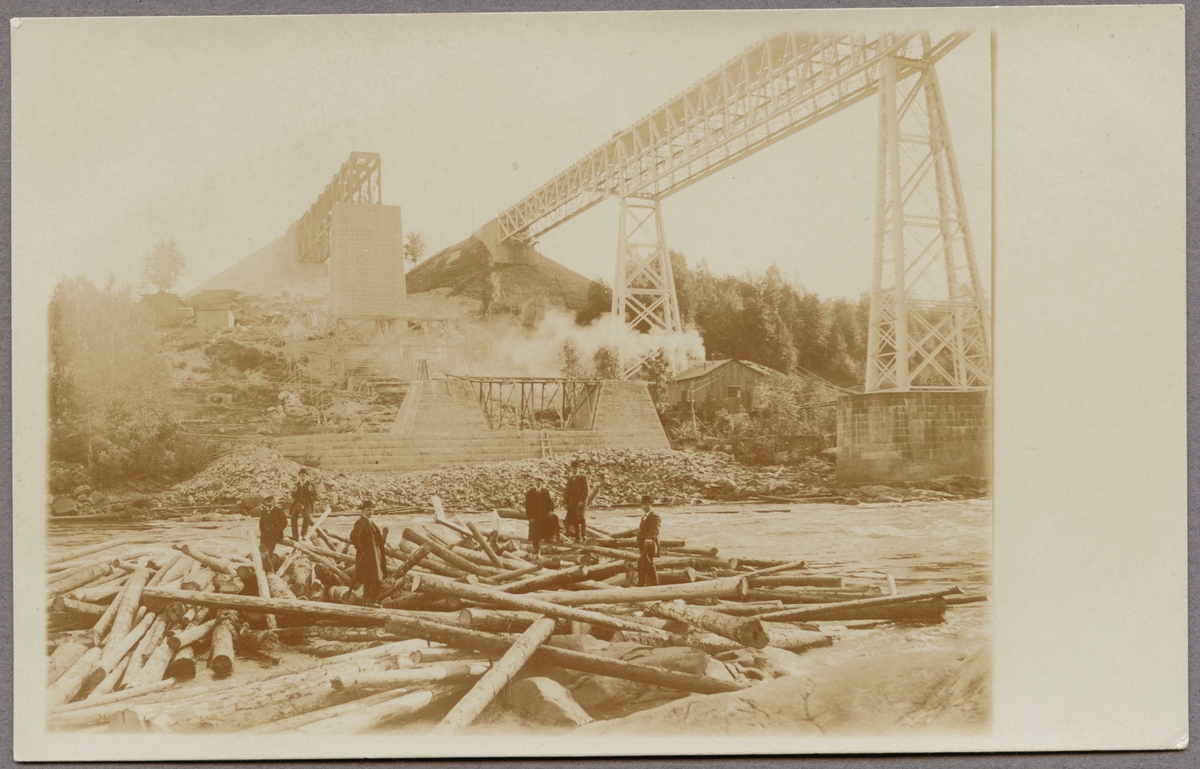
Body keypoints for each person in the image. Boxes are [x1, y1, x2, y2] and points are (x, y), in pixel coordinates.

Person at [350, 499, 389, 606]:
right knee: (376, 578)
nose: (371, 512)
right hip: (369, 556)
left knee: (369, 578)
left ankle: (366, 601)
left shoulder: (369, 521)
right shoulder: (360, 522)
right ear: (362, 511)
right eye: (368, 510)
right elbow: (354, 537)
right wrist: (363, 551)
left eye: (372, 510)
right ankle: (371, 601)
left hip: (374, 554)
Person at [635, 494, 661, 587]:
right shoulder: (644, 516)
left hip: (650, 544)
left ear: (651, 505)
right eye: (643, 505)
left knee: (643, 563)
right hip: (643, 545)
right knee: (647, 563)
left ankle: (642, 583)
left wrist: (649, 539)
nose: (645, 506)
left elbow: (655, 529)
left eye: (647, 504)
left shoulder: (655, 516)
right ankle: (653, 583)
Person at [524, 476, 555, 554]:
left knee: (547, 527)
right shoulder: (530, 492)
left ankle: (549, 540)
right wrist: (530, 517)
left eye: (540, 481)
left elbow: (550, 503)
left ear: (542, 483)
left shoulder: (545, 491)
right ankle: (536, 549)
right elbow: (527, 506)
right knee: (535, 534)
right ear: (534, 482)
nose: (538, 482)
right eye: (537, 481)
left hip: (543, 515)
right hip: (534, 516)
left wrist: (551, 511)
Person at [563, 459, 590, 542]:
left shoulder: (583, 478)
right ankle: (577, 537)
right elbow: (566, 492)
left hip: (580, 503)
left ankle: (584, 535)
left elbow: (586, 491)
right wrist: (566, 503)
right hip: (572, 503)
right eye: (572, 468)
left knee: (582, 519)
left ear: (578, 469)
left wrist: (581, 501)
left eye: (575, 468)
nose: (574, 470)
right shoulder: (570, 479)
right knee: (575, 520)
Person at [289, 468, 316, 541]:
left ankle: (304, 534)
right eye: (301, 475)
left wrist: (311, 490)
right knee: (293, 517)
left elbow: (315, 495)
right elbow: (293, 496)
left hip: (306, 503)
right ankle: (295, 536)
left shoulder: (310, 484)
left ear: (306, 476)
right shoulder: (297, 484)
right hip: (298, 503)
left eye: (304, 475)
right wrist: (294, 491)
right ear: (299, 476)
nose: (303, 477)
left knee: (306, 516)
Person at [258, 495, 287, 559]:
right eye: (267, 502)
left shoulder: (279, 511)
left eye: (270, 502)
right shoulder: (264, 511)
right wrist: (262, 532)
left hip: (275, 535)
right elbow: (261, 524)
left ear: (273, 502)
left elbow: (284, 523)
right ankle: (264, 562)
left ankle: (269, 562)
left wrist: (277, 530)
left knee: (270, 550)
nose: (269, 503)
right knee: (262, 549)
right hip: (265, 534)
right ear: (265, 503)